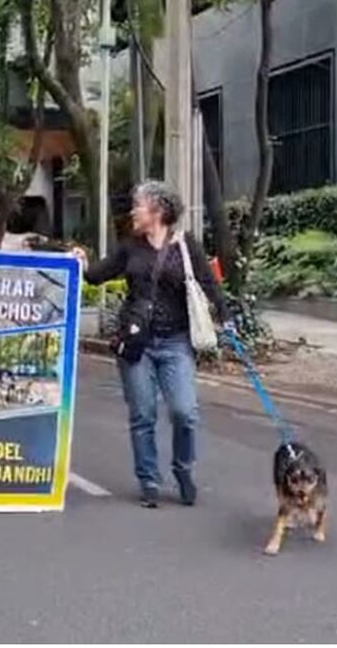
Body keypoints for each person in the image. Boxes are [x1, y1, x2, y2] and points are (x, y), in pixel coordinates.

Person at [77, 180, 229, 509]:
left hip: (176, 342)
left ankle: (183, 468)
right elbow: (95, 275)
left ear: (158, 210)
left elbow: (209, 283)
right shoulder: (129, 247)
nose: (133, 211)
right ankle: (148, 480)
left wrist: (227, 317)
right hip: (136, 344)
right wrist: (80, 260)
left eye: (138, 206)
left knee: (185, 413)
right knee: (143, 415)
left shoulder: (186, 246)